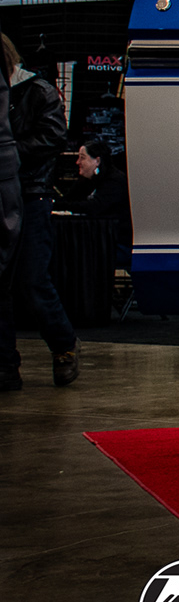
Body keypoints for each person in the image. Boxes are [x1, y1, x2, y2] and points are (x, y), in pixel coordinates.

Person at [0, 34, 77, 389]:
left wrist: (10, 152)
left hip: (31, 194)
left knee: (32, 279)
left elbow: (54, 137)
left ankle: (64, 345)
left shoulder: (37, 90)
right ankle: (6, 364)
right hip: (12, 192)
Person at [69, 140, 132, 268]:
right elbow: (69, 200)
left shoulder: (115, 181)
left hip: (117, 243)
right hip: (98, 240)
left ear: (97, 161)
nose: (78, 162)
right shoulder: (87, 181)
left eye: (82, 158)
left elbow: (95, 207)